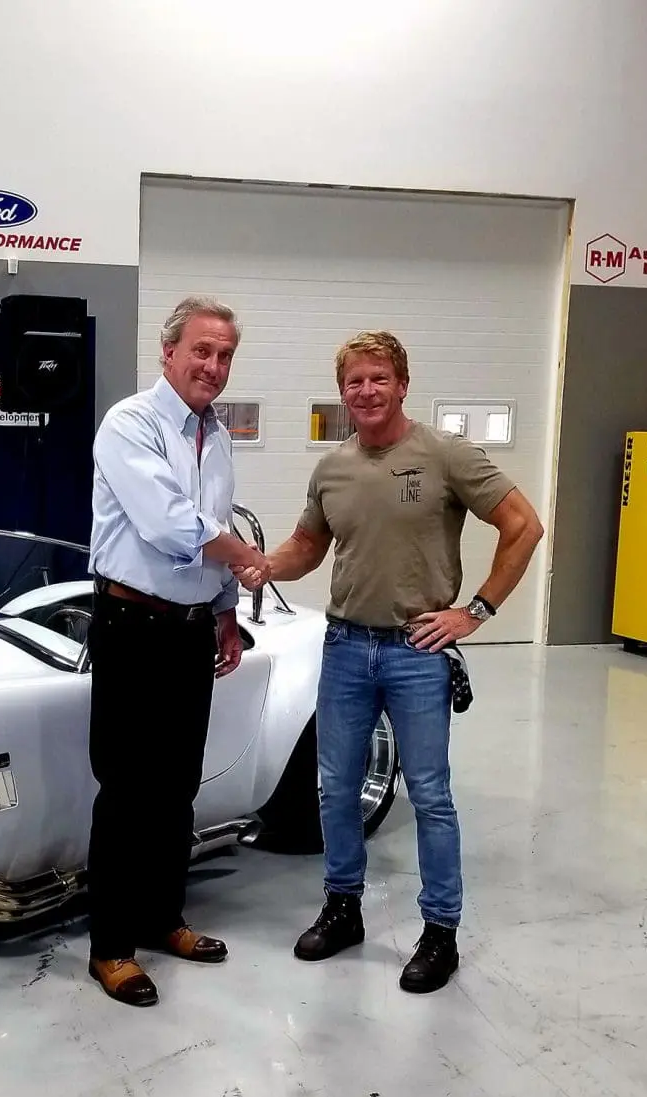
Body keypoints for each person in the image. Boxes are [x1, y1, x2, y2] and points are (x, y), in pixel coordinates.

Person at [242, 330, 543, 994]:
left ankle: (439, 932)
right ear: (342, 392)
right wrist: (260, 565)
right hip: (346, 648)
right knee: (334, 789)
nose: (367, 390)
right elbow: (306, 546)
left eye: (379, 378)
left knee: (430, 795)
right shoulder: (333, 468)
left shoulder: (445, 454)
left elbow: (523, 524)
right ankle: (342, 908)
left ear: (403, 384)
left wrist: (476, 611)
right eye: (354, 381)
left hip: (416, 651)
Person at [84, 294, 272, 1007]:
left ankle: (163, 918)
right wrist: (250, 559)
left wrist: (225, 611)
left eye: (225, 355)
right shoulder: (129, 424)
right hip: (132, 626)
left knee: (176, 786)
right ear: (168, 352)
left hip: (191, 628)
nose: (213, 366)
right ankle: (111, 947)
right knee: (127, 789)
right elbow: (170, 525)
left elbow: (212, 522)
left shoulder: (217, 436)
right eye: (201, 350)